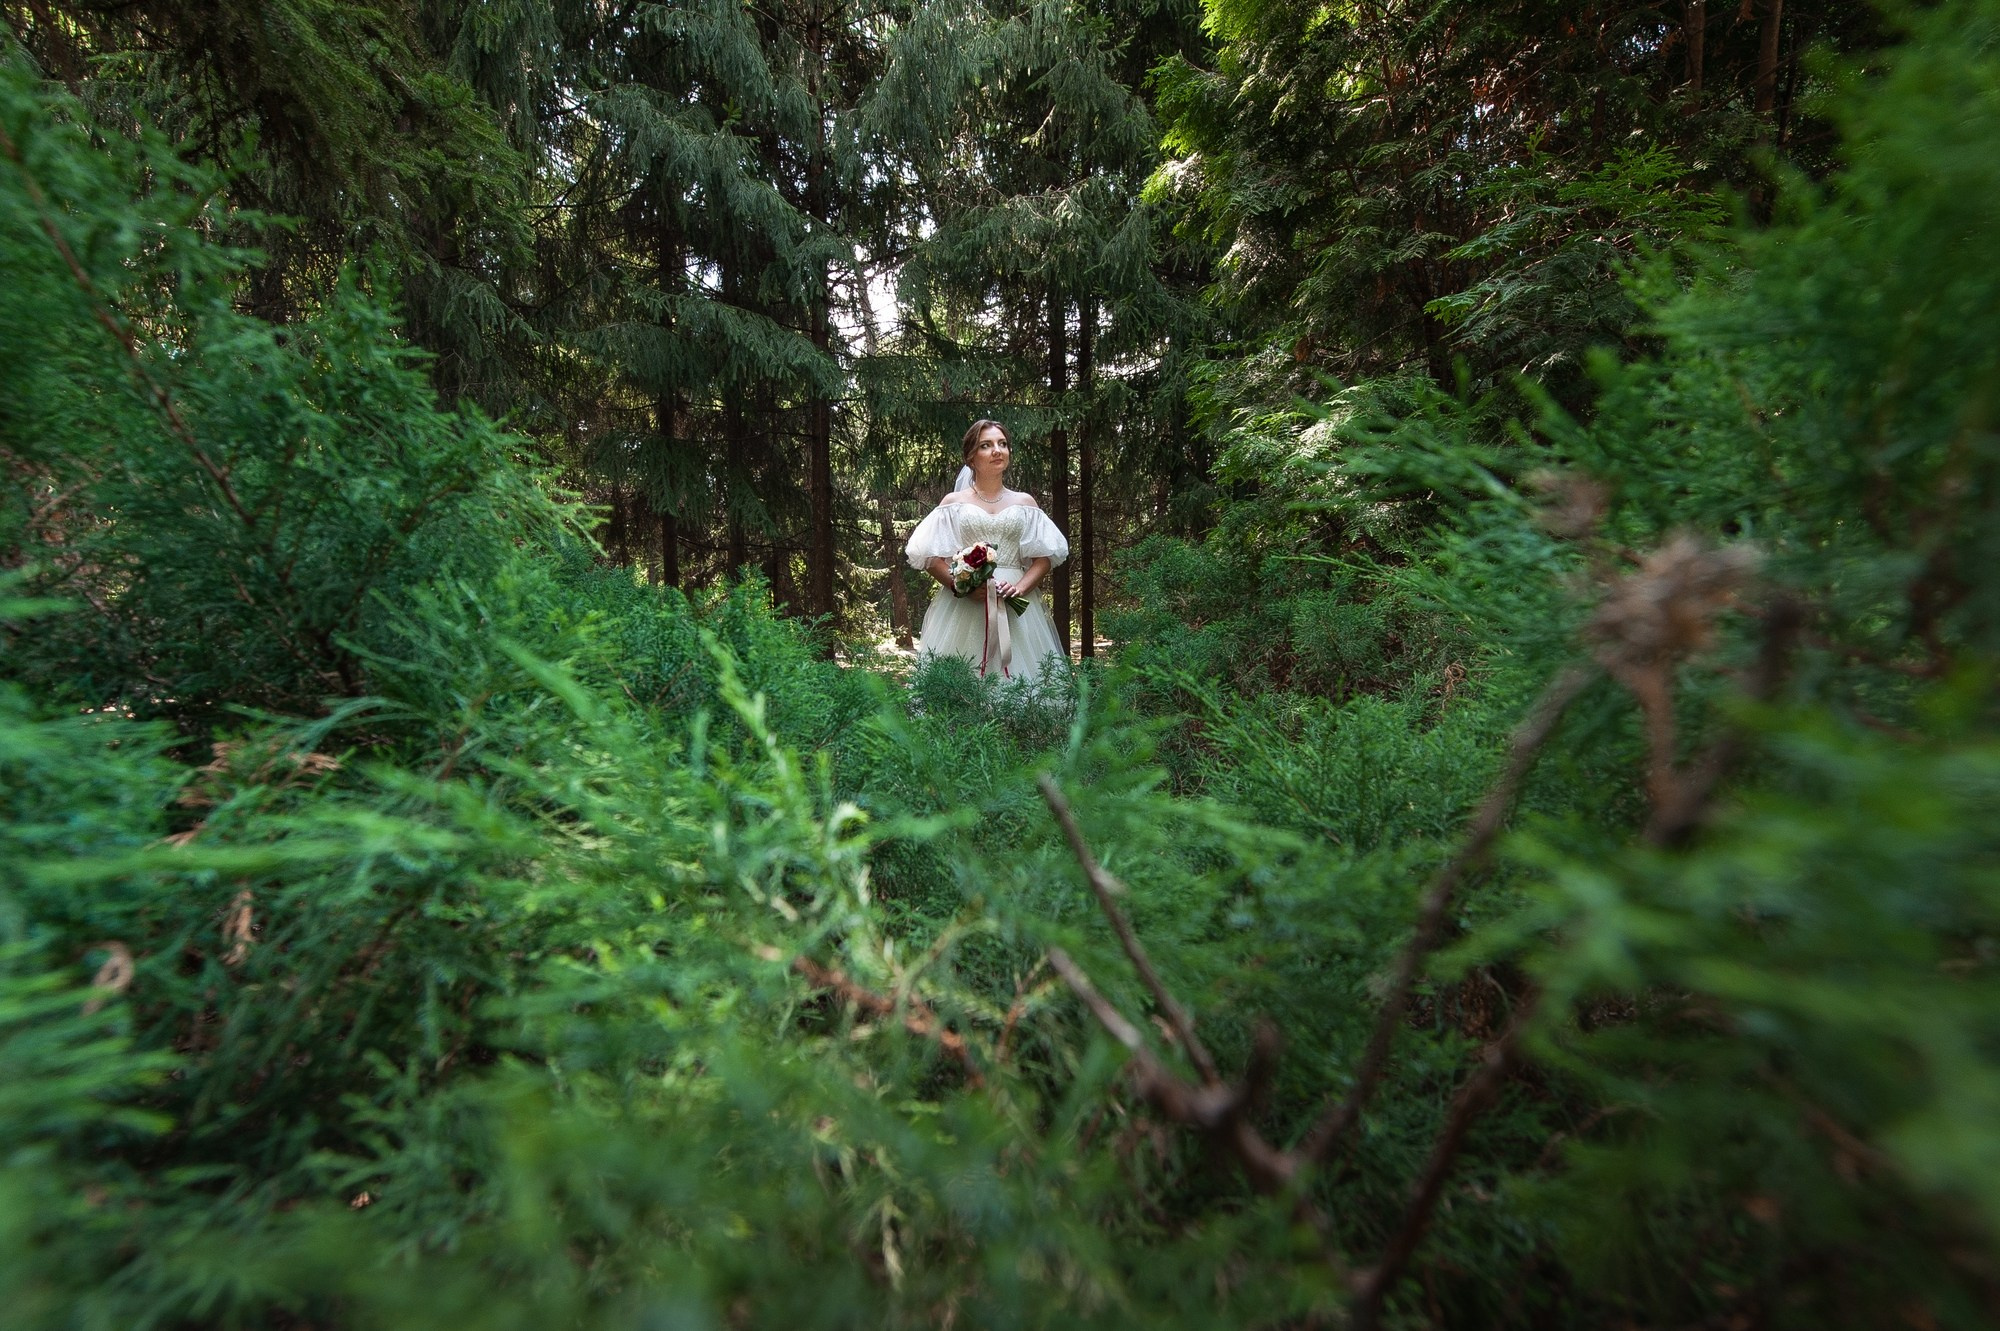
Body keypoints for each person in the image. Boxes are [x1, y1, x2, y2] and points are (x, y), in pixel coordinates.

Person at [904, 419, 1070, 681]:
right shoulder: (953, 503)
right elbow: (930, 558)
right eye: (986, 445)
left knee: (1023, 677)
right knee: (963, 676)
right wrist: (962, 587)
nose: (997, 450)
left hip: (1015, 604)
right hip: (966, 606)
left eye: (1002, 444)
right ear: (971, 457)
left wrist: (1020, 588)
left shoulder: (1025, 502)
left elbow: (1044, 557)